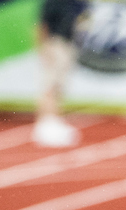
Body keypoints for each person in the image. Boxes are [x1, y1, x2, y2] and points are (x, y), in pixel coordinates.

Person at [34, 0, 83, 147]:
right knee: (50, 85)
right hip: (55, 44)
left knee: (59, 86)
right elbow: (40, 26)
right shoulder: (52, 2)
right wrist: (44, 48)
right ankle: (45, 124)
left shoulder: (70, 3)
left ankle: (54, 121)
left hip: (66, 44)